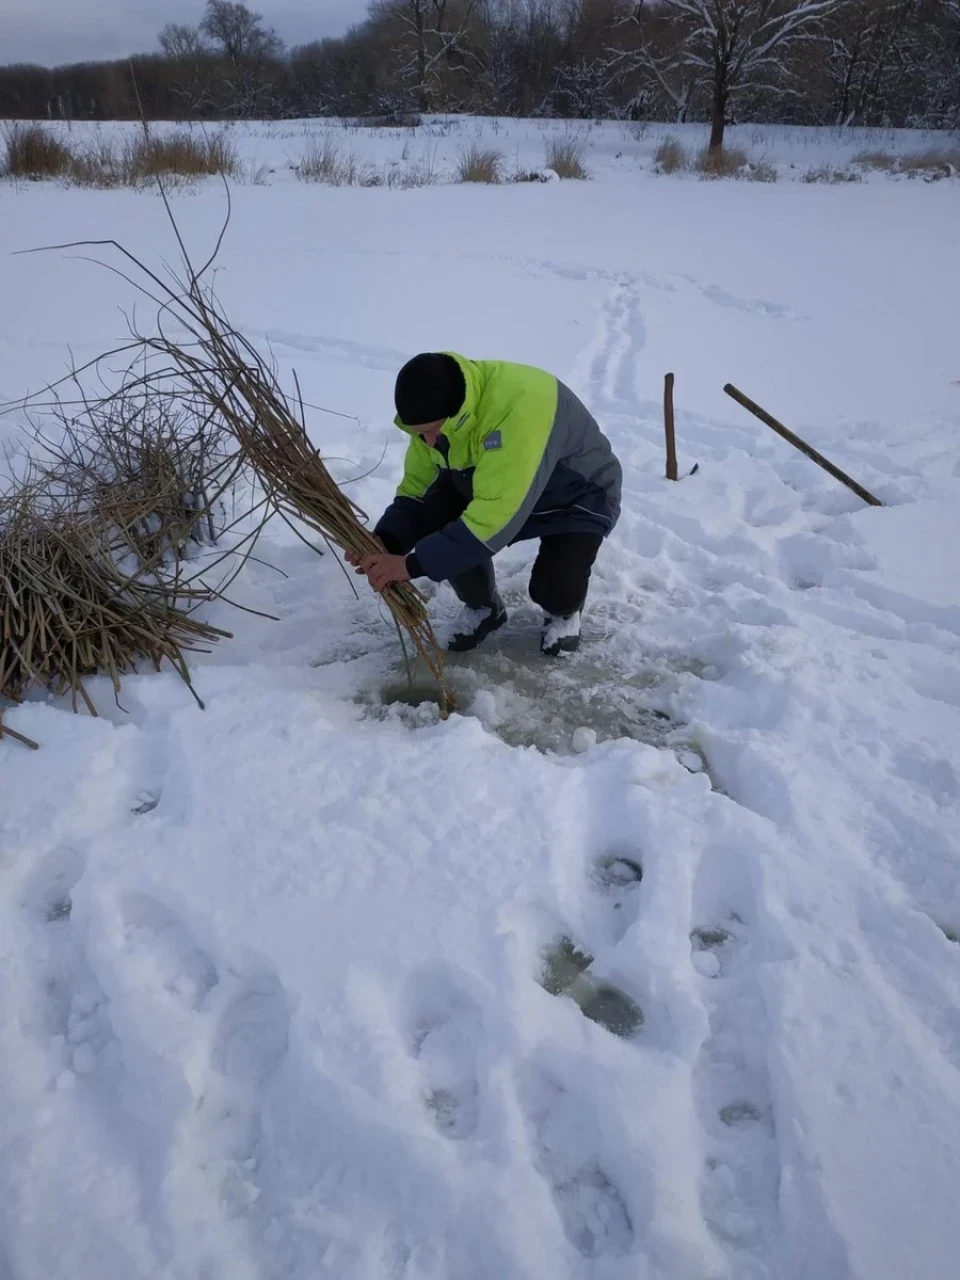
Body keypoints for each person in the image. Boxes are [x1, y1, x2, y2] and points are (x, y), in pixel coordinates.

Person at [348, 352, 622, 656]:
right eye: (418, 434)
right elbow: (419, 490)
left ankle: (565, 614)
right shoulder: (434, 418)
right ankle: (484, 607)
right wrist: (385, 541)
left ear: (453, 413)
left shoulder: (518, 409)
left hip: (577, 495)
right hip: (497, 483)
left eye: (431, 431)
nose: (427, 442)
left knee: (554, 591)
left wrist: (410, 566)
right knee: (442, 517)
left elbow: (491, 521)